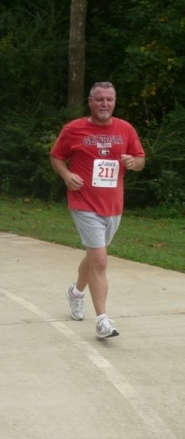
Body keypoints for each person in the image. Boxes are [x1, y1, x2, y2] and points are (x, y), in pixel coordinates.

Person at [50, 81, 145, 339]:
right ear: (90, 102)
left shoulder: (125, 129)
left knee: (95, 256)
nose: (104, 104)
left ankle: (76, 292)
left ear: (114, 102)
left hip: (113, 205)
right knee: (101, 261)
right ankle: (103, 320)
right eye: (99, 99)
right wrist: (67, 174)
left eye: (109, 100)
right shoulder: (74, 129)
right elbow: (56, 156)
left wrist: (133, 162)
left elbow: (140, 159)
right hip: (83, 203)